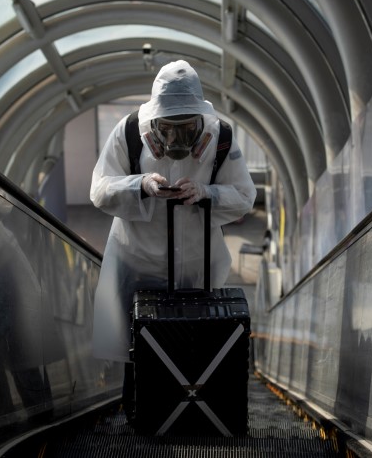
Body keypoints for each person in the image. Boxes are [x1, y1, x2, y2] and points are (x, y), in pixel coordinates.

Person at [89, 59, 256, 413]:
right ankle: (141, 412)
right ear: (155, 122)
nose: (176, 138)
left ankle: (187, 411)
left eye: (186, 128)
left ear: (200, 119)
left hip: (197, 266)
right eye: (168, 128)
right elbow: (100, 189)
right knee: (138, 343)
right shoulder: (129, 132)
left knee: (193, 343)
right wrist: (141, 185)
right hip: (137, 263)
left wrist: (206, 193)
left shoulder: (221, 138)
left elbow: (244, 195)